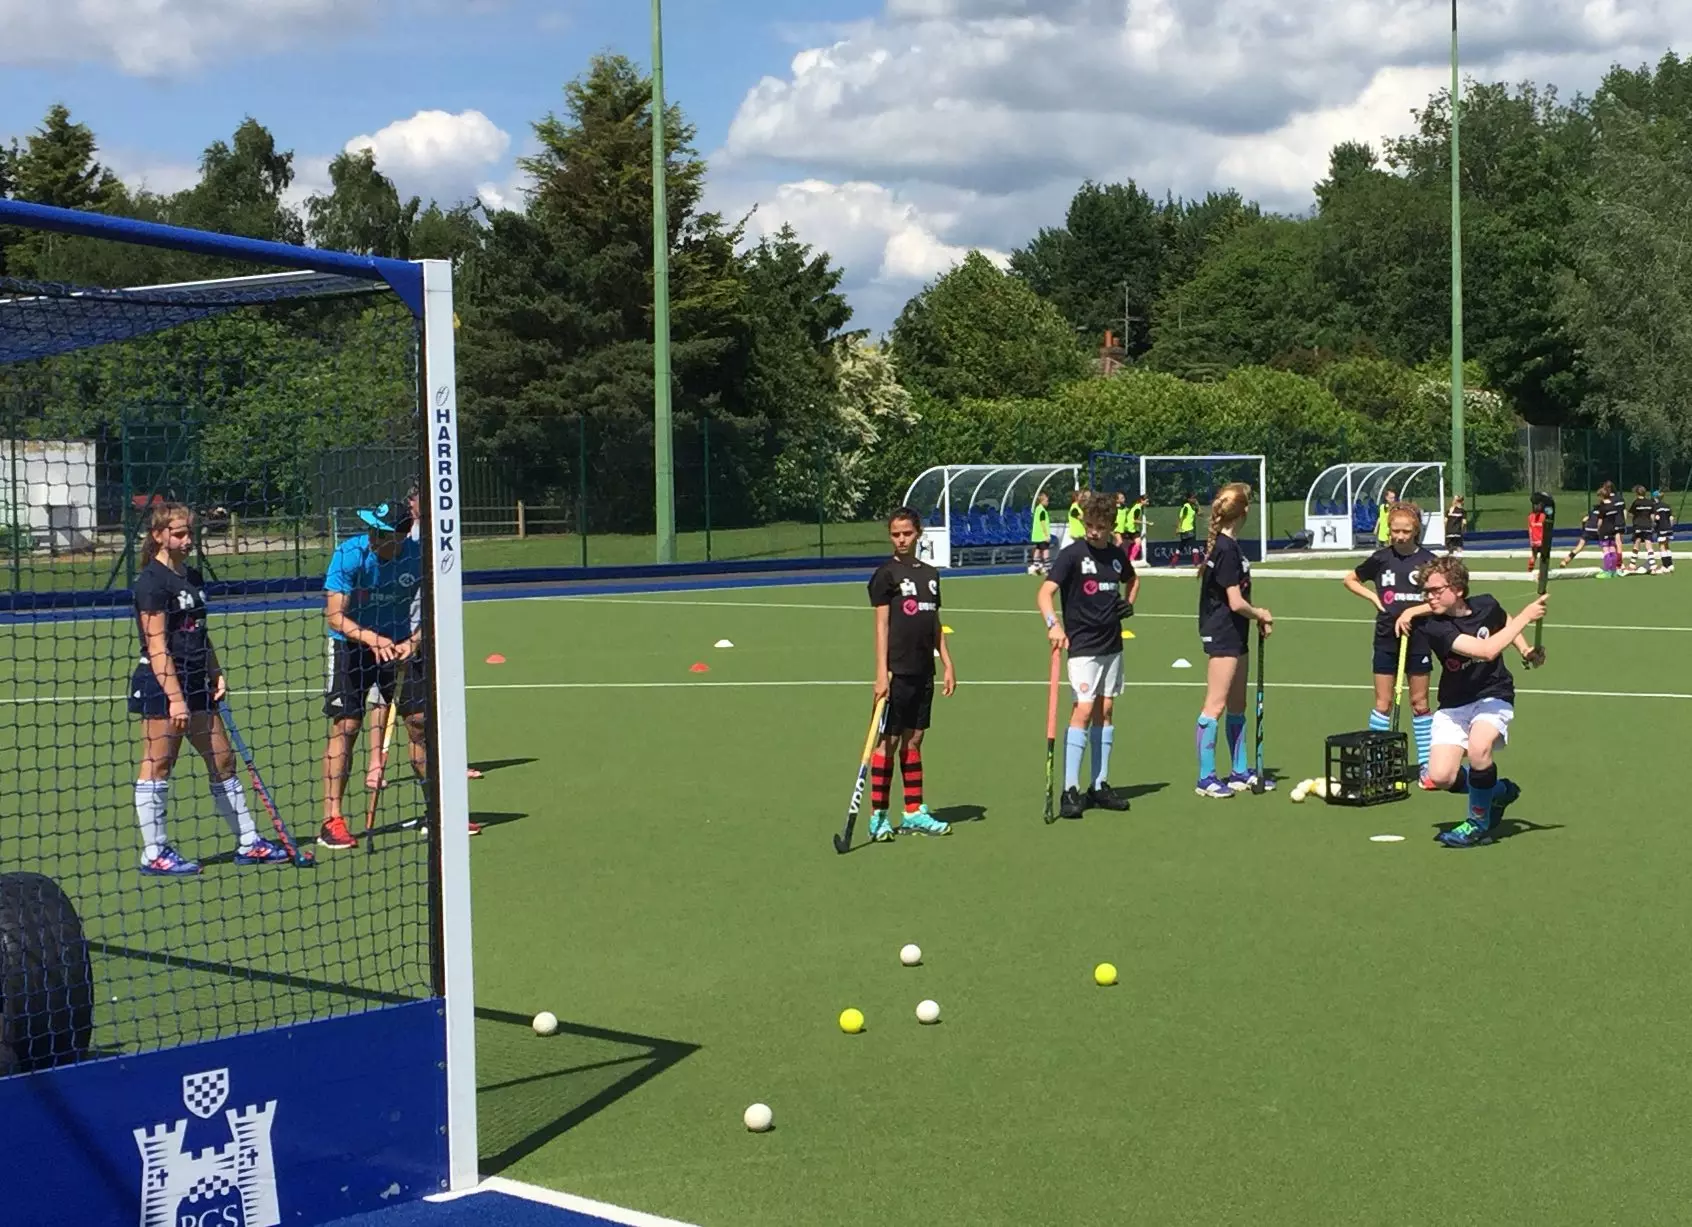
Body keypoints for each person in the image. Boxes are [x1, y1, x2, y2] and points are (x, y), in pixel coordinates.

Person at [128, 503, 288, 875]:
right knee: (159, 764)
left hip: (198, 681)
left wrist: (216, 672)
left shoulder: (193, 577)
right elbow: (156, 646)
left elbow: (199, 632)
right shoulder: (151, 583)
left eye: (189, 533)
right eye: (179, 534)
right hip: (162, 684)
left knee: (222, 759)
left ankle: (249, 841)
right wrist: (176, 699)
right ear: (159, 536)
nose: (187, 540)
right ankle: (154, 852)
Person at [1399, 556, 1546, 848]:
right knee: (1439, 776)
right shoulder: (1435, 627)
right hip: (1454, 705)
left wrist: (1526, 649)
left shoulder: (1486, 604)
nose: (1429, 597)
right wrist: (1526, 617)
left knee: (1479, 749)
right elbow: (1486, 650)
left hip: (1494, 694)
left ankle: (1477, 823)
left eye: (1435, 590)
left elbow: (1501, 620)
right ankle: (1498, 790)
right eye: (1426, 592)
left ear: (1458, 589)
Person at [318, 495, 433, 850]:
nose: (373, 535)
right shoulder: (350, 554)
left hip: (400, 645)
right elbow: (335, 615)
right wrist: (372, 639)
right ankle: (332, 820)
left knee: (419, 723)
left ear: (402, 535)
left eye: (382, 532)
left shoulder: (417, 557)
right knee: (347, 726)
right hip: (352, 646)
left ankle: (439, 813)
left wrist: (415, 640)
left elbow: (435, 608)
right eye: (372, 528)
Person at [363, 484, 483, 790]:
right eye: (420, 497)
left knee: (438, 701)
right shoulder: (407, 535)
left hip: (426, 633)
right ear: (412, 503)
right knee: (381, 701)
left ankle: (449, 763)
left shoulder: (440, 534)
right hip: (393, 632)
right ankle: (376, 764)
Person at [1038, 492, 1137, 818]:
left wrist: (1129, 603)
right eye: (1090, 525)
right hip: (1082, 645)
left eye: (1101, 526)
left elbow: (1132, 579)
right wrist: (1054, 625)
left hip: (1112, 643)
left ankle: (1099, 784)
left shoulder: (1117, 555)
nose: (1094, 531)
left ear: (1111, 526)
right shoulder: (1071, 555)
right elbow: (1045, 594)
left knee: (1106, 710)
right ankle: (1070, 790)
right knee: (1082, 709)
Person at [867, 508, 955, 840]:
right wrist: (881, 672)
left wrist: (947, 662)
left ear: (918, 533)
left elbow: (934, 622)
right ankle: (878, 816)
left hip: (923, 671)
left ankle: (914, 811)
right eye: (895, 534)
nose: (901, 539)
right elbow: (881, 625)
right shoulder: (886, 575)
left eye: (907, 533)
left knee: (914, 740)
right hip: (896, 672)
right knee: (887, 743)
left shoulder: (931, 574)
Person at [1342, 502, 1438, 780]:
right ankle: (1376, 762)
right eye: (1395, 530)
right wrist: (1373, 597)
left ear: (1416, 530)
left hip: (1419, 637)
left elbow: (1441, 601)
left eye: (1406, 531)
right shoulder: (1381, 558)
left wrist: (1412, 611)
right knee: (1383, 703)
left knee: (1419, 702)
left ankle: (1426, 765)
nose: (1399, 536)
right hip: (1386, 637)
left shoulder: (1429, 561)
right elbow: (1350, 579)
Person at [1194, 482, 1273, 798]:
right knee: (1215, 704)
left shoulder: (1230, 546)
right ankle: (1206, 777)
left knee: (1237, 704)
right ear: (1244, 511)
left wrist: (1253, 619)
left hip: (1237, 632)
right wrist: (1261, 614)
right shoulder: (1225, 550)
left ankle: (1240, 771)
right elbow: (1236, 602)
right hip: (1224, 631)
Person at [1628, 484, 1657, 573]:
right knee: (1649, 545)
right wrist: (1653, 524)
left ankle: (1632, 565)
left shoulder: (1636, 502)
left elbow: (1630, 514)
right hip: (1647, 526)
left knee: (1636, 544)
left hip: (1638, 526)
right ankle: (1653, 567)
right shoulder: (1650, 503)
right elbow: (1652, 516)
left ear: (1637, 493)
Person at [1028, 489, 1052, 575]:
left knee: (1038, 550)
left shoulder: (1037, 509)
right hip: (1042, 535)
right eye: (1047, 500)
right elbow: (1042, 523)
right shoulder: (1042, 510)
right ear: (1042, 501)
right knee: (1045, 550)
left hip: (1037, 535)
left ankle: (1035, 566)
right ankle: (1047, 568)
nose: (1048, 502)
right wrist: (1046, 535)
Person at [1654, 489, 1675, 574]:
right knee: (1667, 546)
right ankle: (1670, 565)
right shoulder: (1667, 506)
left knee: (1662, 546)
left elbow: (1656, 518)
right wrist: (1670, 526)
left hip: (1661, 528)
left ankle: (1665, 566)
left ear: (1655, 497)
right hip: (1669, 528)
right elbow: (1671, 518)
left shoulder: (1655, 507)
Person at [1176, 492, 1199, 566]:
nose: (1194, 499)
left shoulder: (1192, 507)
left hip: (1188, 529)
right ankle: (1195, 563)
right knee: (1194, 546)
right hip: (1187, 529)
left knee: (1182, 546)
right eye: (1193, 498)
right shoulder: (1186, 507)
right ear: (1188, 499)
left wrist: (1197, 505)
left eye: (1195, 498)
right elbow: (1181, 518)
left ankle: (1173, 562)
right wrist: (1178, 528)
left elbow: (1200, 513)